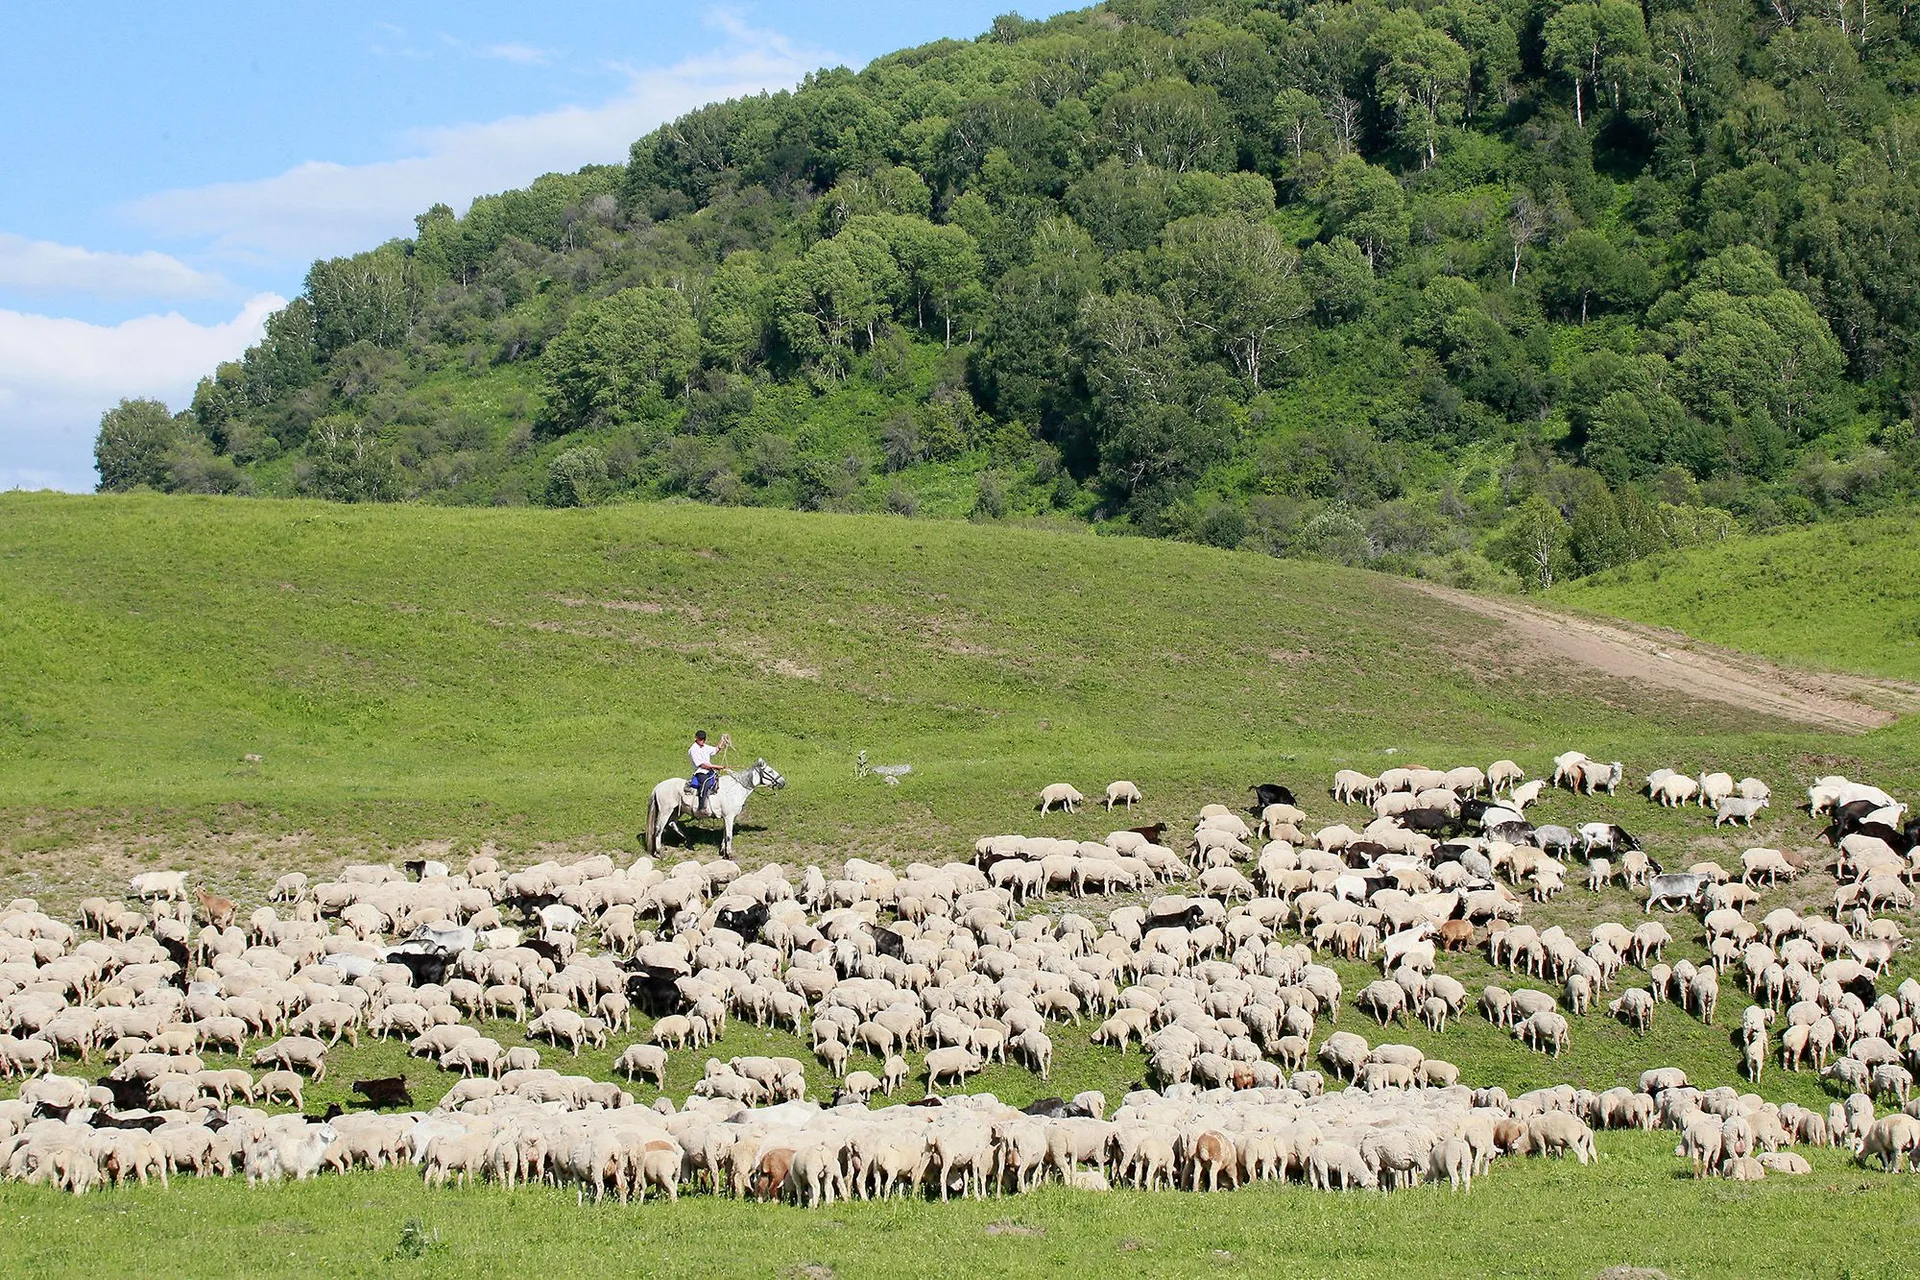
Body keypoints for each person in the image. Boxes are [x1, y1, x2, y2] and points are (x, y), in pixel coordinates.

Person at [688, 730, 720, 814]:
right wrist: (716, 766)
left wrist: (721, 743)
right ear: (696, 738)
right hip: (700, 772)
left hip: (710, 771)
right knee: (705, 783)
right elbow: (702, 765)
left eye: (703, 739)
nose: (702, 741)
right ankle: (701, 807)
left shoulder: (705, 747)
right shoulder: (693, 749)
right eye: (701, 739)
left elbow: (715, 750)